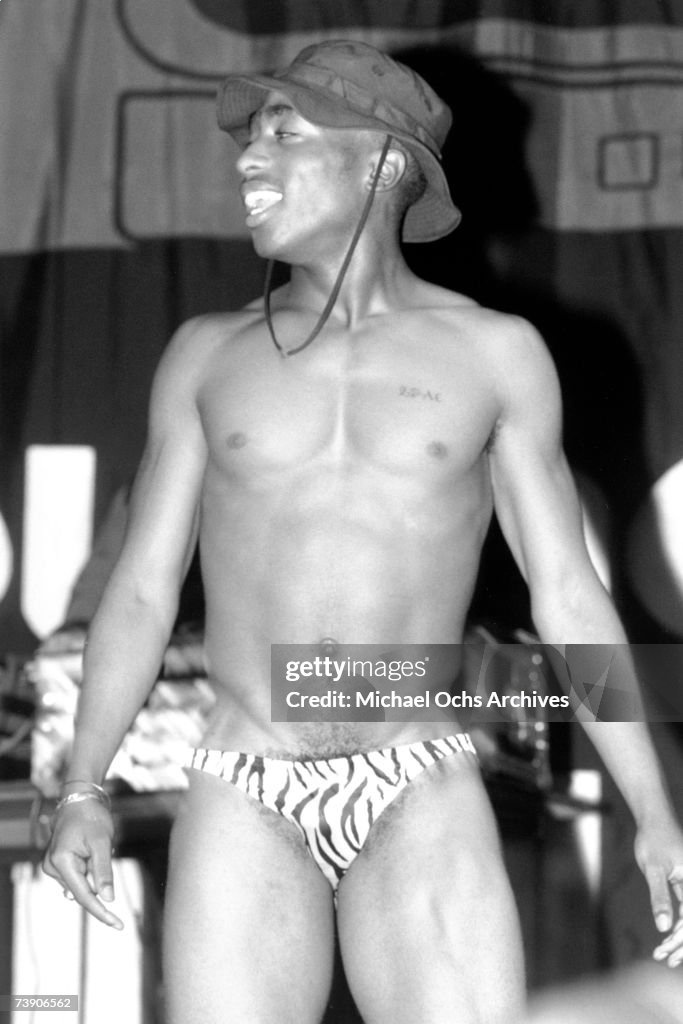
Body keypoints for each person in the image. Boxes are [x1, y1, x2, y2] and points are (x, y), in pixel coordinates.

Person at [43, 40, 683, 1024]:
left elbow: (566, 594)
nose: (248, 156)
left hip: (415, 774)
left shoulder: (494, 354)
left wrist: (652, 812)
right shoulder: (205, 354)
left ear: (382, 163)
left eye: (284, 132)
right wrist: (82, 786)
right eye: (249, 136)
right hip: (243, 776)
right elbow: (139, 590)